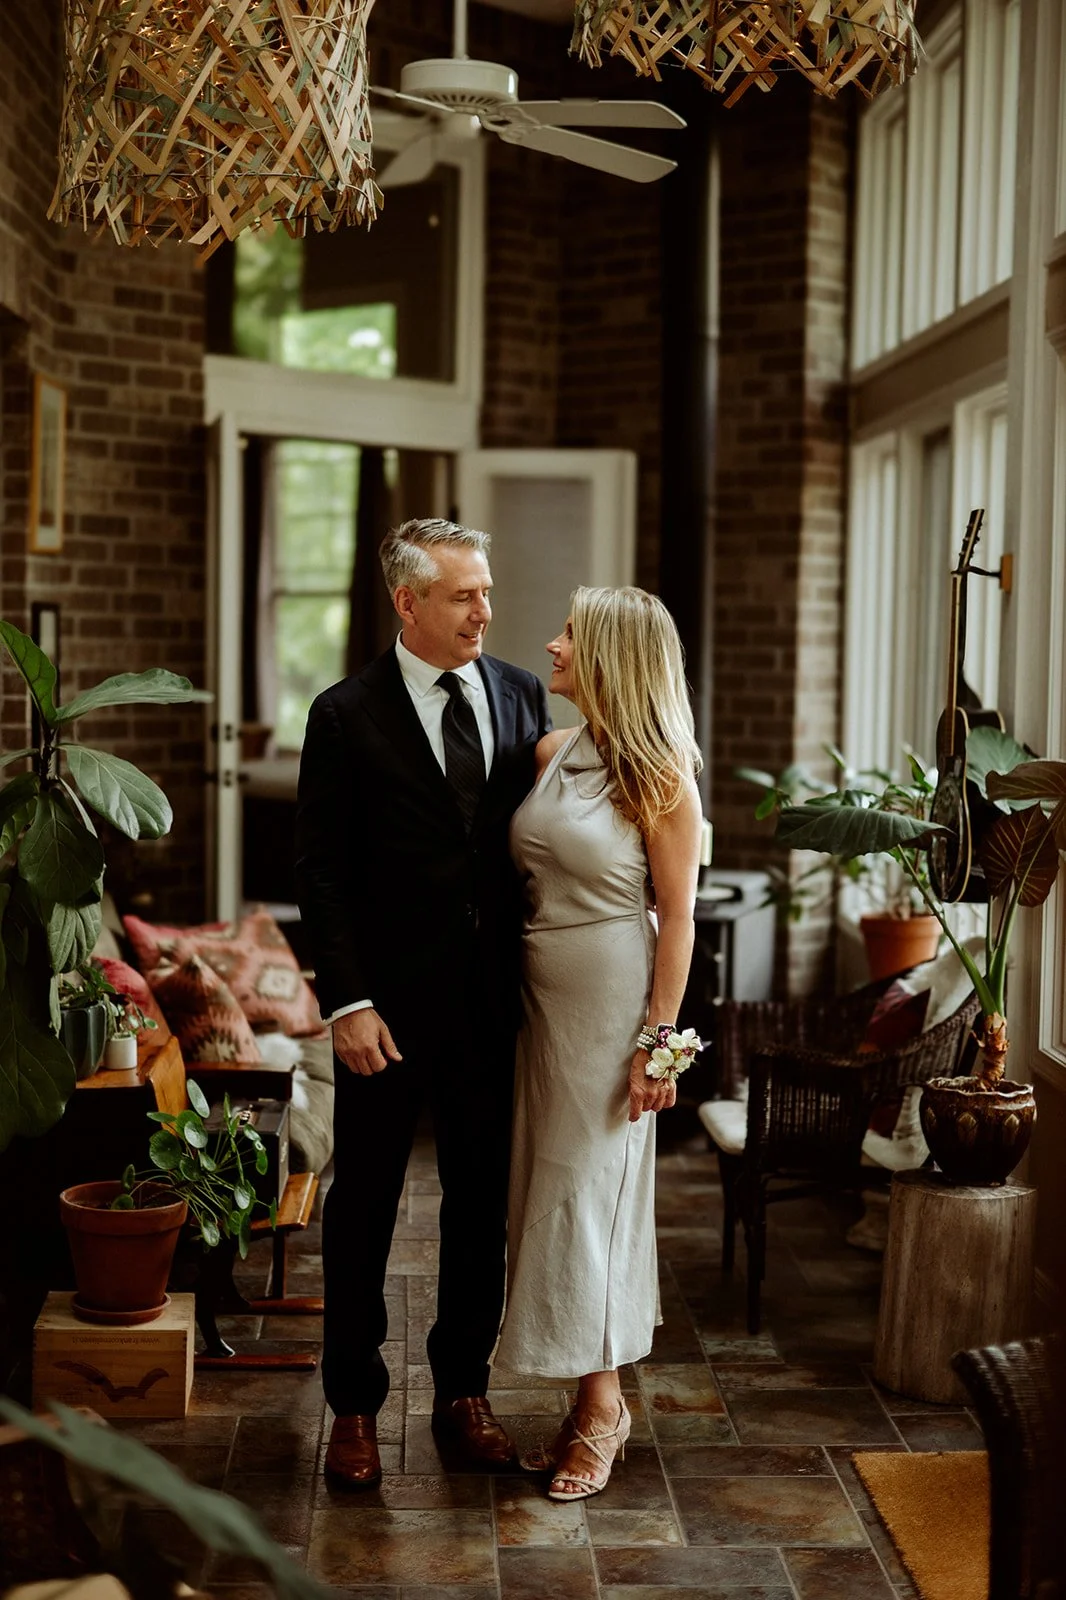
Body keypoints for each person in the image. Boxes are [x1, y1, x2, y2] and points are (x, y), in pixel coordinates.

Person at [295, 517, 551, 1489]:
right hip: (383, 1012)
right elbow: (320, 873)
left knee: (479, 1203)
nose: (484, 610)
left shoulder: (523, 695)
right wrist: (346, 999)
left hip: (493, 1004)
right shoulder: (344, 713)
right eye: (462, 595)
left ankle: (462, 1394)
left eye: (485, 591)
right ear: (408, 602)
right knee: (364, 1205)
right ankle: (354, 1408)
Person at [495, 585, 703, 1502]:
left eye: (571, 634)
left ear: (614, 655)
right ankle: (587, 1397)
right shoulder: (553, 750)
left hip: (616, 998)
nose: (552, 644)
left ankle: (604, 1408)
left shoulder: (665, 779)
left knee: (593, 1198)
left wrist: (658, 1043)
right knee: (546, 1192)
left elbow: (680, 917)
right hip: (541, 1000)